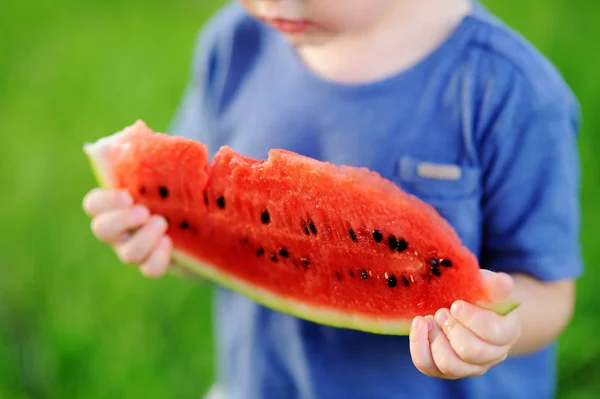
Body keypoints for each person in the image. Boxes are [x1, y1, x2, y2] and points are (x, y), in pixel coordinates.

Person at [82, 0, 583, 398]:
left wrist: (500, 331)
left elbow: (548, 291)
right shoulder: (232, 47)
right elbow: (202, 219)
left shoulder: (509, 92)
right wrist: (154, 236)